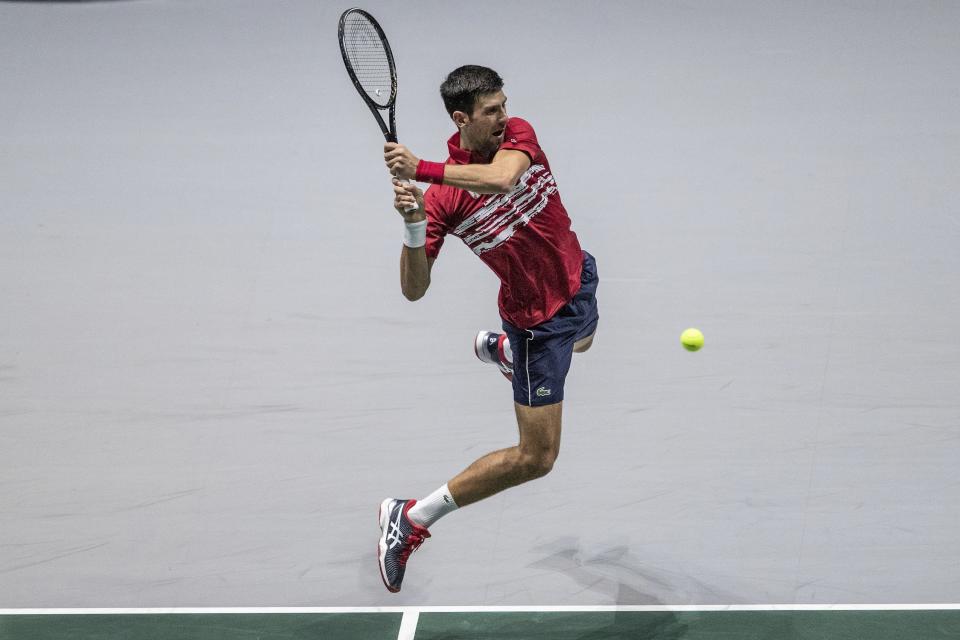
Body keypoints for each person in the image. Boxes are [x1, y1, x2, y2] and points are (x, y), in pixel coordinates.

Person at [376, 65, 599, 593]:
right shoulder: (444, 203)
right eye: (490, 111)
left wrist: (422, 169)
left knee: (585, 339)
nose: (504, 116)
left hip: (578, 277)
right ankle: (411, 517)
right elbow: (414, 289)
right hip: (535, 326)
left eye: (503, 104)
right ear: (462, 119)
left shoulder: (517, 136)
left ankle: (501, 356)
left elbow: (501, 178)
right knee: (536, 457)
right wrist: (413, 227)